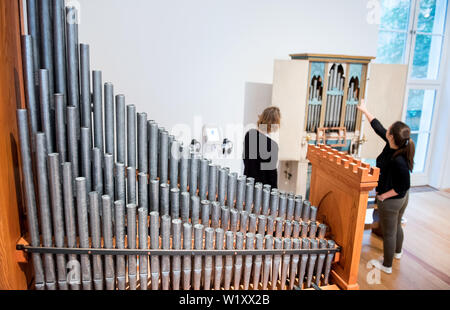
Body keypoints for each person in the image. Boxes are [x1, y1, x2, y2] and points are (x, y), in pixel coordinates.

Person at [358, 100, 415, 274]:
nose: (386, 130)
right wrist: (365, 110)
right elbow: (378, 127)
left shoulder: (398, 160)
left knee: (389, 232)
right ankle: (397, 253)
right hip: (399, 199)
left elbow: (404, 186)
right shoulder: (395, 145)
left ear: (392, 137)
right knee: (396, 225)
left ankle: (387, 265)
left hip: (392, 199)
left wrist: (383, 196)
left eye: (389, 130)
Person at [243, 107, 281, 189]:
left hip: (247, 185)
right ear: (274, 123)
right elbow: (272, 175)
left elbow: (245, 160)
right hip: (263, 192)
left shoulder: (249, 135)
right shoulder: (272, 145)